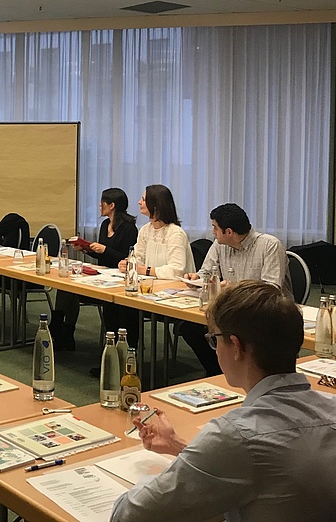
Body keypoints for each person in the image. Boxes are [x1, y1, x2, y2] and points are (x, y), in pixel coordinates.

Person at [111, 281, 336, 521]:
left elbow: (130, 514)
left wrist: (163, 476)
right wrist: (180, 447)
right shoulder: (330, 407)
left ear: (236, 347)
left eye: (215, 339)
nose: (216, 350)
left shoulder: (234, 434)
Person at [179, 203, 293, 376]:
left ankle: (234, 373)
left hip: (264, 313)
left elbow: (271, 289)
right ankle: (218, 372)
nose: (213, 232)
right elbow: (206, 272)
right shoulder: (219, 245)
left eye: (215, 227)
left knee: (233, 333)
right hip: (233, 309)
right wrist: (196, 278)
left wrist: (233, 288)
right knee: (190, 328)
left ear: (229, 232)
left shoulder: (270, 245)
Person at [51, 188, 137, 350]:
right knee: (67, 285)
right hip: (103, 273)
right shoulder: (105, 225)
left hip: (119, 278)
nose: (99, 205)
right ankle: (62, 331)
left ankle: (59, 330)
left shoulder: (129, 228)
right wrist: (86, 249)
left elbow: (127, 259)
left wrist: (105, 250)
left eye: (102, 202)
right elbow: (103, 256)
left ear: (111, 205)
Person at [111, 184, 195, 349]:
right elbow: (137, 257)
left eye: (143, 199)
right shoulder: (145, 230)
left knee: (129, 307)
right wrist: (128, 263)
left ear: (155, 206)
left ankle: (131, 350)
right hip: (150, 289)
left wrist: (144, 270)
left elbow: (176, 271)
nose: (139, 202)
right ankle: (118, 348)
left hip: (175, 293)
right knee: (116, 303)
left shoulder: (175, 233)